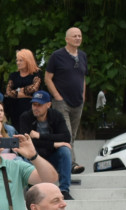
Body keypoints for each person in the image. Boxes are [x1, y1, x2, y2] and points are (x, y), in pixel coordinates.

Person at [45, 27, 87, 174]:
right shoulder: (57, 56)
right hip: (62, 102)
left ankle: (63, 162)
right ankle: (71, 165)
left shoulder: (82, 56)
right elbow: (48, 78)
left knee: (72, 136)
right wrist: (57, 96)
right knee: (66, 134)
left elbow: (83, 78)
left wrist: (83, 95)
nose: (77, 38)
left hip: (78, 102)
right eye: (74, 36)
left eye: (79, 36)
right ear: (67, 39)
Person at [19, 91, 74, 199]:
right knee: (24, 156)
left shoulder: (56, 115)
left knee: (65, 150)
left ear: (48, 104)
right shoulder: (25, 117)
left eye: (39, 105)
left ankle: (64, 190)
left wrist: (40, 136)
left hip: (51, 157)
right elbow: (26, 142)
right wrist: (54, 144)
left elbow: (66, 137)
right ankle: (31, 187)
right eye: (34, 104)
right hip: (34, 157)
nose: (36, 108)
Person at [5, 49, 42, 131]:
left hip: (31, 110)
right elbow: (8, 92)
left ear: (28, 60)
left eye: (20, 60)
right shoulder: (13, 75)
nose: (18, 63)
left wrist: (17, 91)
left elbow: (34, 89)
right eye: (17, 60)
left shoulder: (36, 73)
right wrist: (23, 92)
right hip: (15, 110)